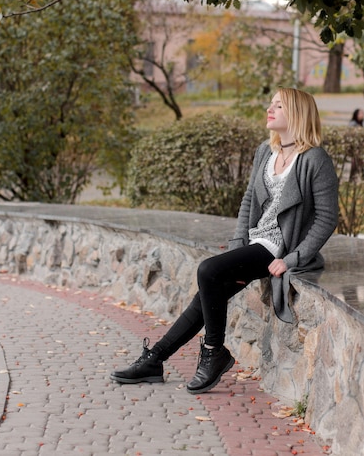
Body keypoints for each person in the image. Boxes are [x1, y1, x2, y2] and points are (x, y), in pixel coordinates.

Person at [111, 88, 339, 395]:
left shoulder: (314, 159)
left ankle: (214, 350)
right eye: (270, 103)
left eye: (278, 105)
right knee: (206, 294)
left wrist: (294, 258)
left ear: (297, 113)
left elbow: (326, 217)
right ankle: (156, 359)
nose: (269, 109)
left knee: (208, 271)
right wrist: (237, 243)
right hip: (255, 243)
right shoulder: (266, 151)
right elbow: (249, 199)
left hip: (278, 248)